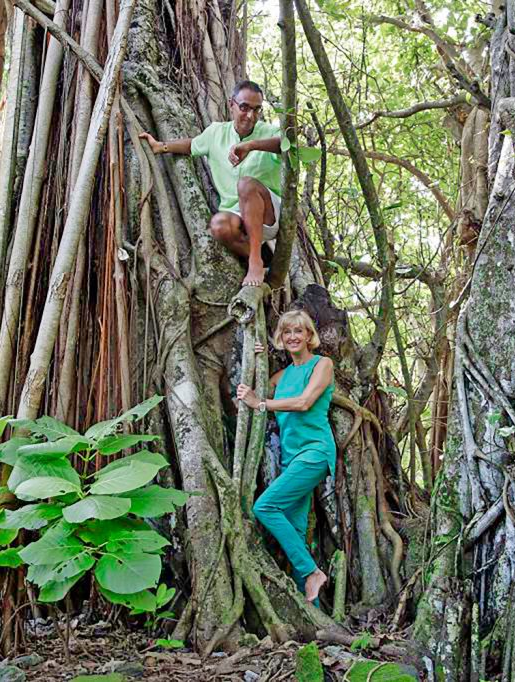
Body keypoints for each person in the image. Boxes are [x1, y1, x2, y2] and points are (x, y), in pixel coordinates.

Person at [138, 80, 283, 287]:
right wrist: (161, 147)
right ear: (231, 104)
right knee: (219, 225)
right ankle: (260, 255)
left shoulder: (268, 132)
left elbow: (287, 144)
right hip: (237, 216)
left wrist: (251, 145)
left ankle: (255, 262)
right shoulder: (216, 133)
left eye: (256, 110)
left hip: (268, 213)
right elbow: (193, 145)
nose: (250, 115)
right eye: (244, 107)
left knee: (246, 185)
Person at [236, 310, 334, 603]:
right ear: (281, 337)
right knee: (296, 532)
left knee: (264, 507)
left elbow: (304, 403)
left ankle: (313, 573)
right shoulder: (281, 375)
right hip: (291, 460)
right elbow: (250, 390)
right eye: (287, 332)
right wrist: (257, 357)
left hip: (315, 452)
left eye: (298, 331)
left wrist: (262, 404)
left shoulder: (322, 364)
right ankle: (313, 615)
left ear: (308, 336)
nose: (293, 337)